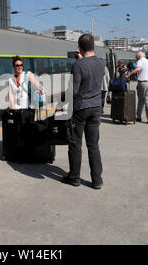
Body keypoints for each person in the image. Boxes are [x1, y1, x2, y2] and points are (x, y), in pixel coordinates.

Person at [61, 34, 104, 190]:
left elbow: (74, 90)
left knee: (75, 143)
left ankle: (74, 177)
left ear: (79, 48)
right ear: (93, 46)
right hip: (96, 107)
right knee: (93, 145)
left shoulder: (78, 65)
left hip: (81, 109)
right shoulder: (101, 63)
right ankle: (97, 180)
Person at [125, 51, 148, 124]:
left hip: (143, 83)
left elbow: (138, 69)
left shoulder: (140, 61)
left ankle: (139, 117)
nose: (136, 59)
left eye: (136, 57)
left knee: (141, 100)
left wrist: (129, 74)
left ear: (139, 56)